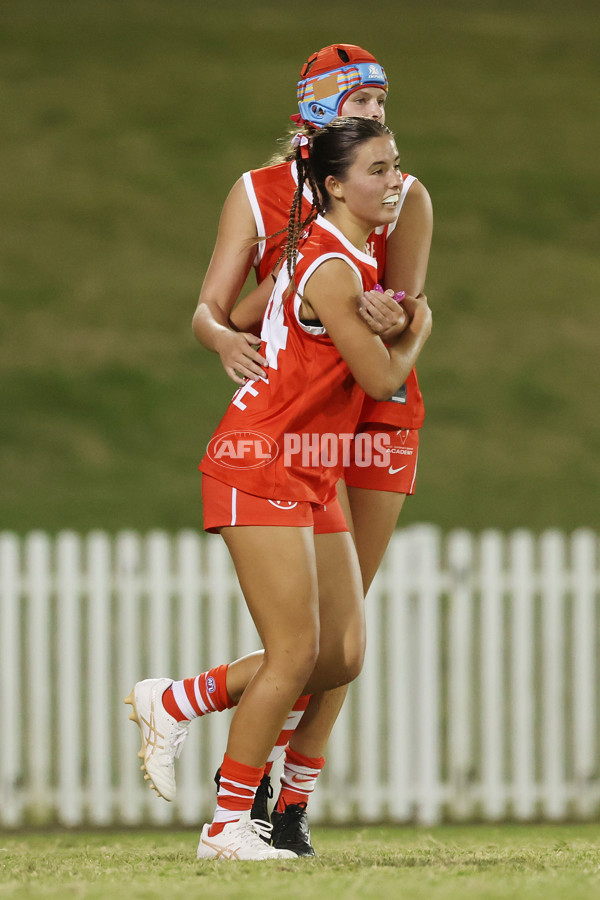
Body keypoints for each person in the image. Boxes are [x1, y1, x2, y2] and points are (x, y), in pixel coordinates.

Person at [126, 44, 432, 858]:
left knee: (339, 644)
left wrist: (396, 316)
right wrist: (224, 339)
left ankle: (281, 792)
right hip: (295, 426)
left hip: (369, 420)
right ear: (318, 111)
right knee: (306, 644)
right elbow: (220, 310)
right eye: (360, 105)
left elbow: (398, 306)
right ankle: (252, 806)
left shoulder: (398, 193)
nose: (376, 117)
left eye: (380, 104)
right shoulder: (268, 197)